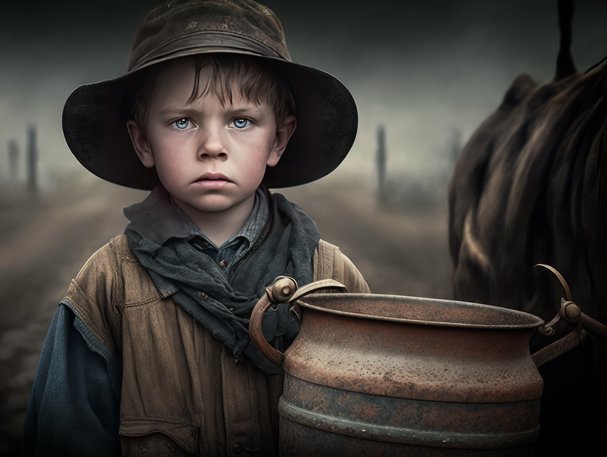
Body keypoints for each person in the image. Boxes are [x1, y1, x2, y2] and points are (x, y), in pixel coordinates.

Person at [22, 1, 370, 455]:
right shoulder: (107, 286)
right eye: (182, 121)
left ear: (278, 139)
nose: (211, 146)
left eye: (241, 121)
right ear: (143, 140)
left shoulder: (333, 281)